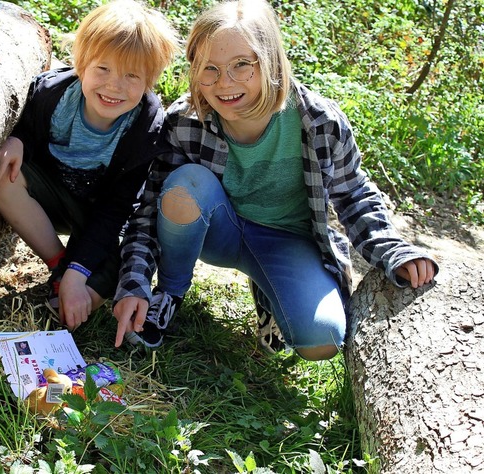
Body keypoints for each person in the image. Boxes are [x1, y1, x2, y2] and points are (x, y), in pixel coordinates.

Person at [112, 0, 438, 358]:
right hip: (218, 228)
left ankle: (271, 291)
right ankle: (169, 293)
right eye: (210, 69)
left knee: (321, 341)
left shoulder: (319, 122)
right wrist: (134, 285)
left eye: (241, 65)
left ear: (270, 61)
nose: (225, 83)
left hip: (288, 240)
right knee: (185, 184)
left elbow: (353, 193)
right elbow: (148, 207)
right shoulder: (185, 121)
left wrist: (392, 250)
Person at [0, 0, 179, 331]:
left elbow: (114, 211)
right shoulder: (50, 94)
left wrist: (80, 273)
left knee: (111, 273)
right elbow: (25, 126)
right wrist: (17, 141)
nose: (114, 86)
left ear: (149, 81)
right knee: (1, 173)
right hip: (46, 200)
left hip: (97, 216)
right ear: (81, 65)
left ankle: (67, 288)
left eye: (132, 75)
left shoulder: (146, 128)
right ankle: (57, 262)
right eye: (103, 69)